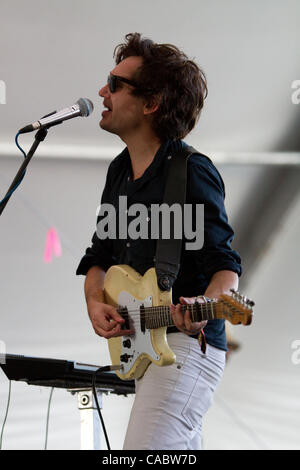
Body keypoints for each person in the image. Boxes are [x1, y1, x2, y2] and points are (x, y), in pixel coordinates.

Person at [76, 33, 242, 450]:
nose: (102, 92)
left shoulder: (191, 172)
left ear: (151, 104)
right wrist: (96, 302)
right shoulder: (118, 172)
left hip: (188, 347)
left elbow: (226, 266)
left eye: (115, 84)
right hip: (144, 347)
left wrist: (206, 306)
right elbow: (98, 257)